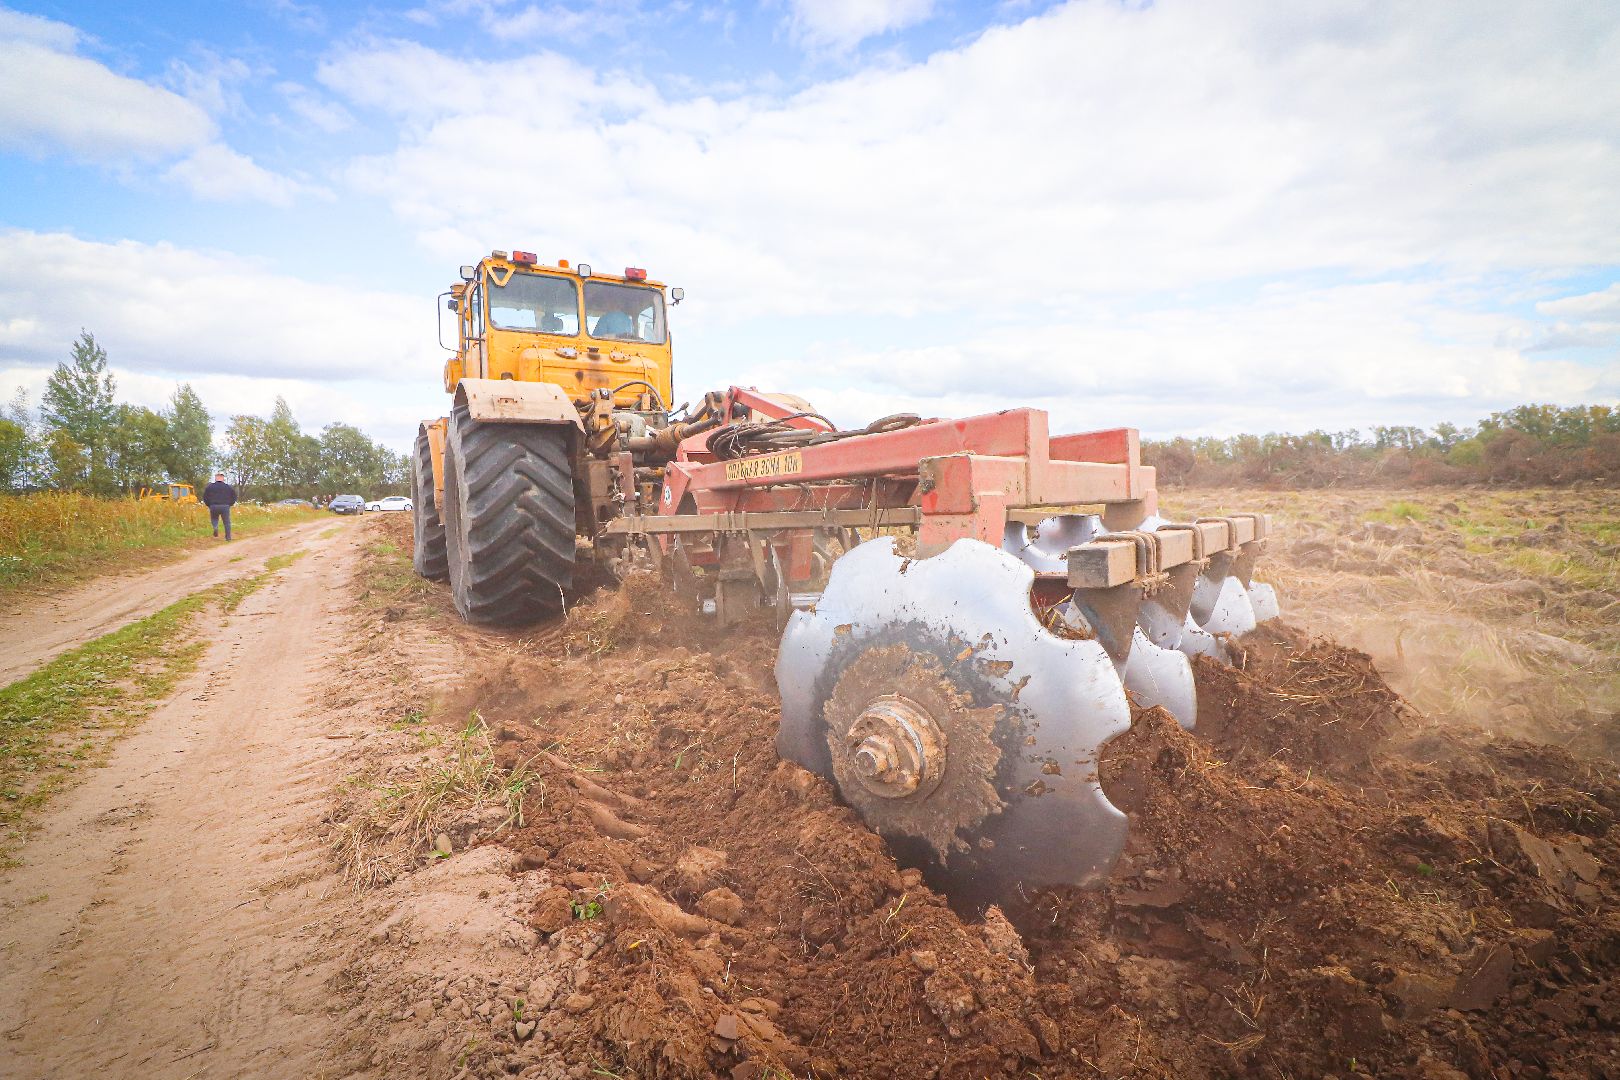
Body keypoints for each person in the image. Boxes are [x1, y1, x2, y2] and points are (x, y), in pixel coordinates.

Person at [202, 472, 237, 540]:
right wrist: (230, 504)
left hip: (213, 506)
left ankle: (215, 527)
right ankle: (228, 537)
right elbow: (234, 496)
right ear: (223, 478)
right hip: (225, 506)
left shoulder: (210, 487)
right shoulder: (228, 487)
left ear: (216, 478)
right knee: (227, 522)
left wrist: (209, 504)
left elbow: (205, 497)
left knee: (214, 519)